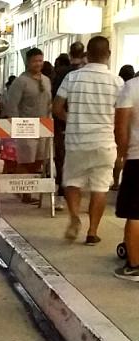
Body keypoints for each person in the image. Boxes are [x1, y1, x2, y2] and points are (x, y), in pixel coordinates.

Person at [53, 36, 124, 245]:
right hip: (105, 142)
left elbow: (56, 108)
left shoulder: (72, 78)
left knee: (72, 183)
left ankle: (74, 216)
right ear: (108, 55)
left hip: (77, 141)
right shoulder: (117, 81)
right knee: (100, 188)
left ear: (87, 55)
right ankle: (92, 232)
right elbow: (121, 114)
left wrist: (72, 119)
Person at [4, 48, 52, 202]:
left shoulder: (46, 80)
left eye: (40, 60)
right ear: (28, 62)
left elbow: (49, 103)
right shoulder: (21, 81)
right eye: (35, 61)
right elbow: (12, 105)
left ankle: (32, 189)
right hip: (26, 127)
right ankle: (24, 192)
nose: (38, 64)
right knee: (26, 160)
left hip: (43, 127)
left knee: (39, 160)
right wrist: (16, 125)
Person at [51, 43, 86, 209]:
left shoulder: (61, 74)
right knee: (80, 161)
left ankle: (62, 194)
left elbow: (56, 103)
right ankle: (75, 195)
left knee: (63, 159)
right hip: (83, 124)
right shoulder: (85, 73)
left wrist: (66, 118)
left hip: (63, 122)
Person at [114, 75, 139, 280]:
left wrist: (121, 155)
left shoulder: (131, 87)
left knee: (136, 213)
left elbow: (121, 127)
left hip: (137, 157)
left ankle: (134, 265)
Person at [113, 65, 137, 189]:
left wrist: (122, 153)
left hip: (134, 154)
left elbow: (121, 124)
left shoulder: (129, 87)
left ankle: (116, 181)